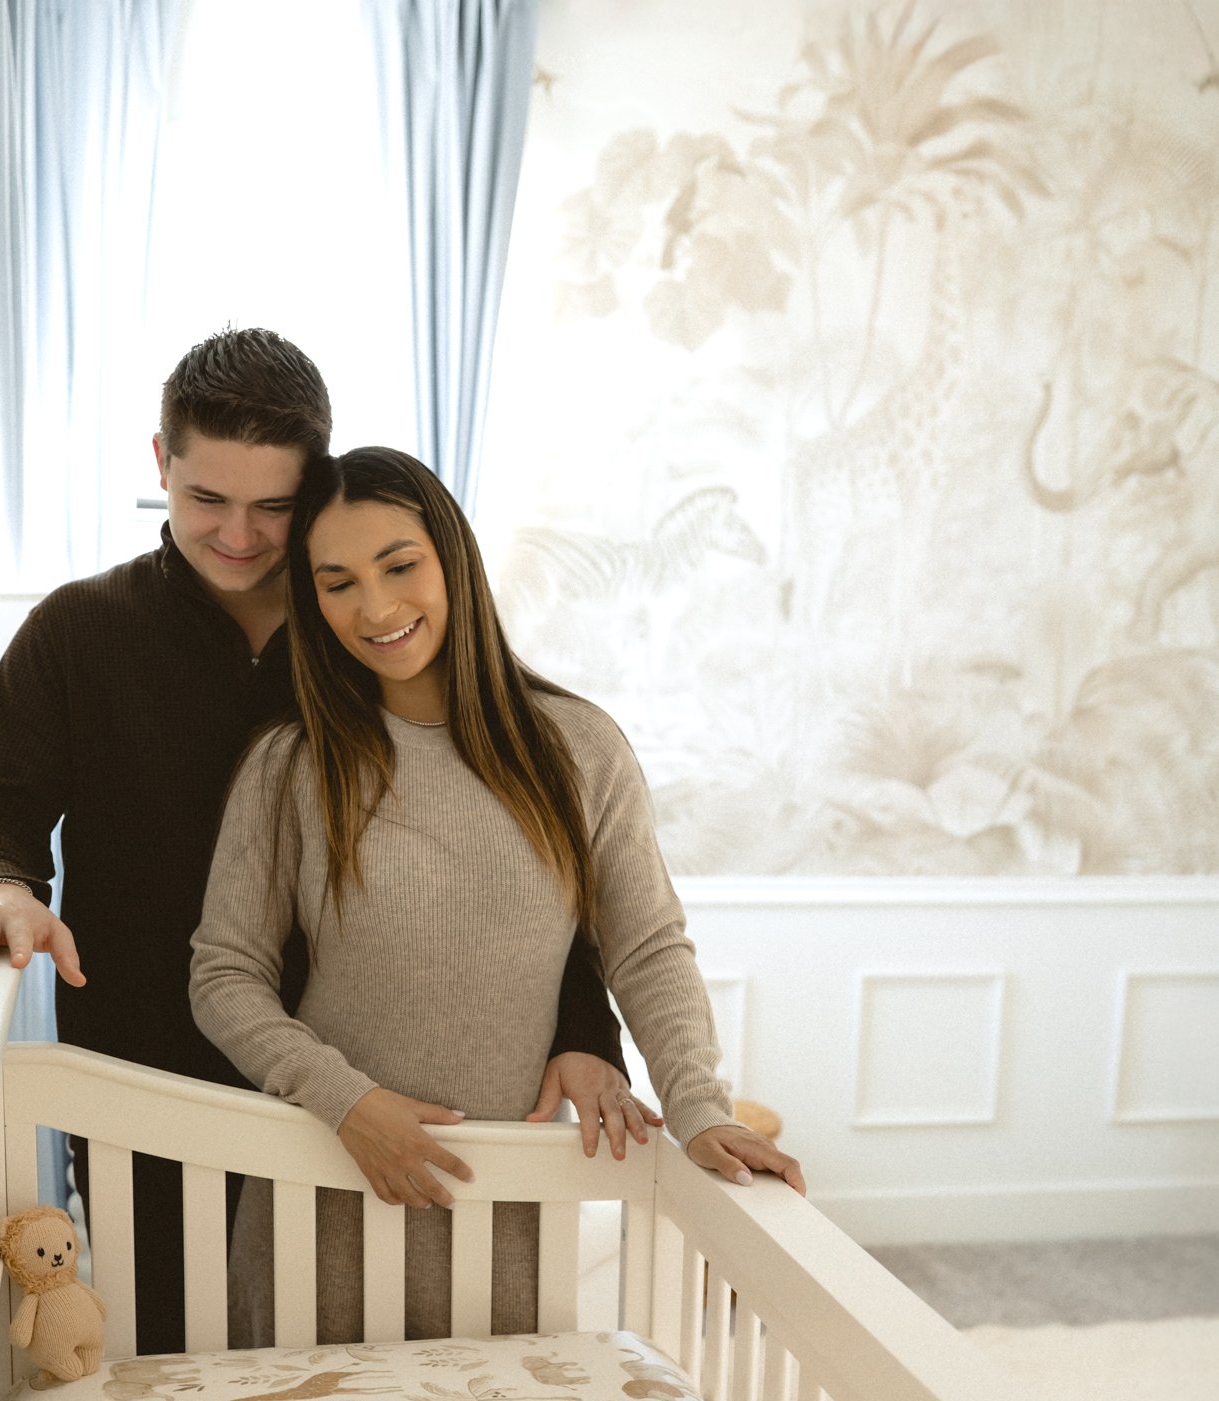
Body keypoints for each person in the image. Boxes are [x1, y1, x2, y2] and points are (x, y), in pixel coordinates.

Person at [0, 330, 647, 1351]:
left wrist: (585, 1025)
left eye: (273, 506)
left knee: (373, 1385)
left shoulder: (369, 631)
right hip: (147, 1096)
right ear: (160, 462)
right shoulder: (79, 632)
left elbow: (521, 847)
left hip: (363, 1102)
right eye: (207, 499)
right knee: (167, 1380)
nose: (241, 536)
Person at [189, 446, 805, 1342]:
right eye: (337, 583)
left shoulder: (579, 749)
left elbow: (646, 948)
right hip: (319, 1186)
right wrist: (347, 1102)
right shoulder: (292, 766)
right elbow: (222, 974)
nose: (375, 608)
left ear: (453, 558)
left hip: (504, 1204)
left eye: (399, 566)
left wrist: (700, 1105)